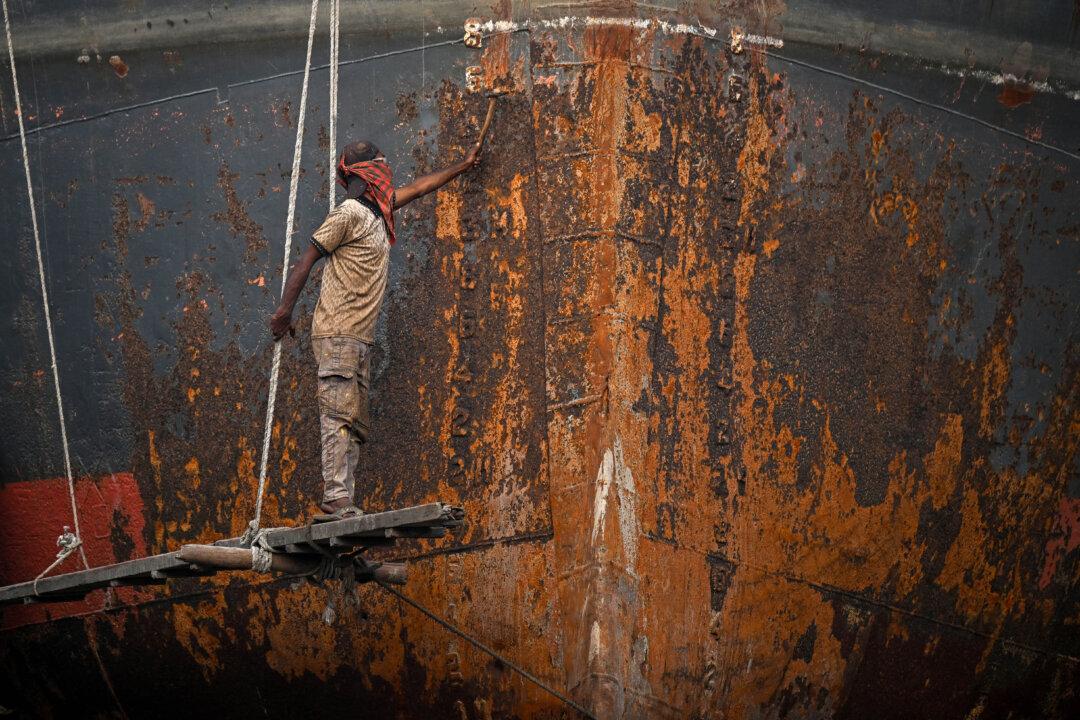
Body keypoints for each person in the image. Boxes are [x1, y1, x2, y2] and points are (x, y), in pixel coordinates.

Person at [269, 139, 481, 520]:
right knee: (337, 415)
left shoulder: (377, 213)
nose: (389, 176)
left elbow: (420, 188)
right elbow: (306, 260)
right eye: (381, 169)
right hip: (338, 332)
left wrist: (463, 165)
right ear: (369, 175)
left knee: (352, 421)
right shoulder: (349, 213)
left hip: (357, 337)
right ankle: (335, 497)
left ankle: (342, 500)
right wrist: (284, 312)